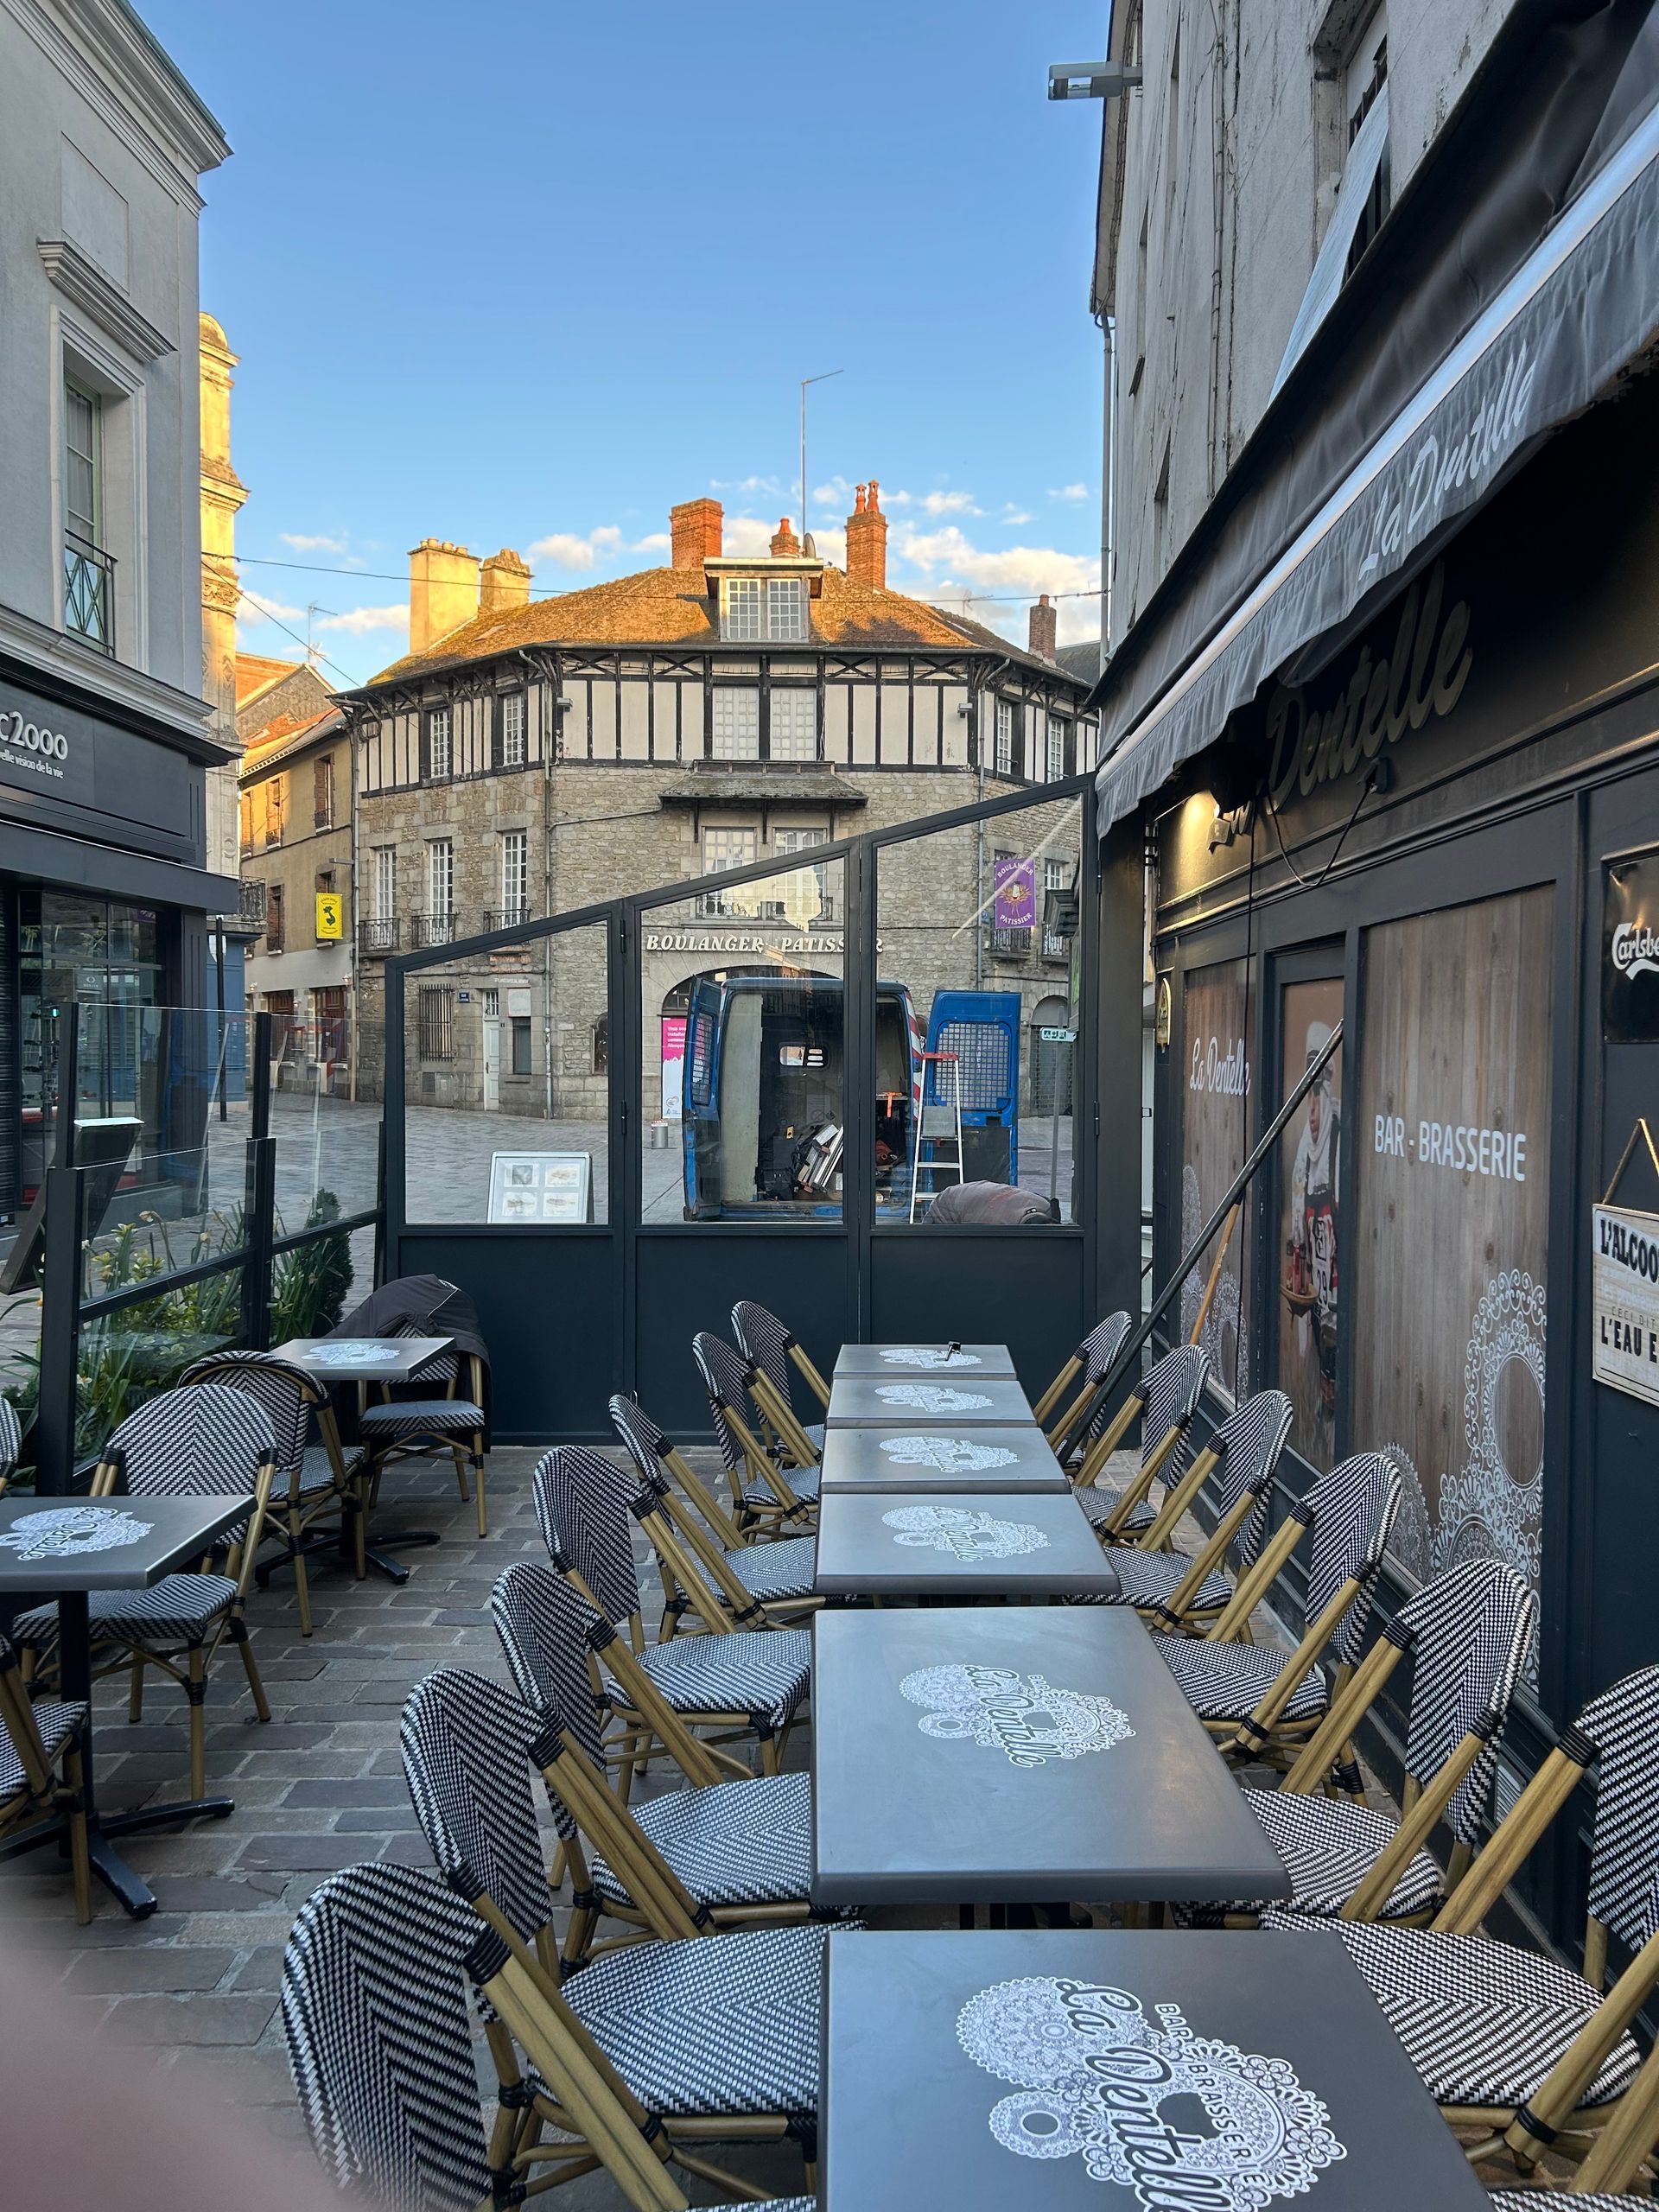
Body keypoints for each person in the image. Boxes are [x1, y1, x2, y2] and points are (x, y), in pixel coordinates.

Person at [1286, 1019, 1339, 1433]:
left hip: (1336, 1266)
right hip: (1315, 1268)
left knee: (1334, 1344)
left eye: (1320, 1083)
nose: (1315, 1107)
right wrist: (1298, 1258)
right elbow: (1297, 1201)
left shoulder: (1340, 1133)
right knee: (1319, 1339)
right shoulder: (1305, 1142)